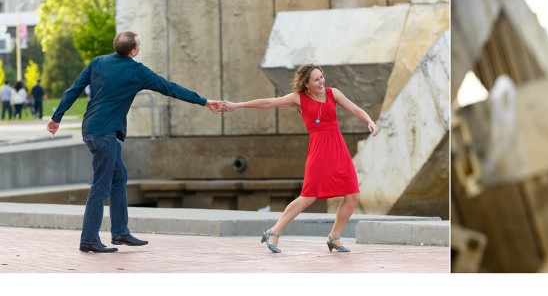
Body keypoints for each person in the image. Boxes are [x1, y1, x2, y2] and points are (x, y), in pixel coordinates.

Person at [48, 31, 223, 253]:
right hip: (105, 134)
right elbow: (170, 88)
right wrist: (204, 101)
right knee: (100, 186)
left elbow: (73, 90)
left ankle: (120, 232)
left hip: (91, 129)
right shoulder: (137, 71)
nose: (139, 47)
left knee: (119, 177)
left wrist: (57, 117)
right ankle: (89, 239)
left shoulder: (98, 62)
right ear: (133, 51)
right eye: (138, 45)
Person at [223, 64, 379, 253]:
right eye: (316, 79)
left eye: (322, 77)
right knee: (308, 196)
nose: (321, 81)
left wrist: (369, 121)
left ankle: (334, 237)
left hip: (338, 150)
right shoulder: (298, 99)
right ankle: (274, 231)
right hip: (319, 151)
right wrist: (238, 105)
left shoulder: (333, 93)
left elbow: (355, 109)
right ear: (306, 83)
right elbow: (269, 103)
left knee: (352, 195)